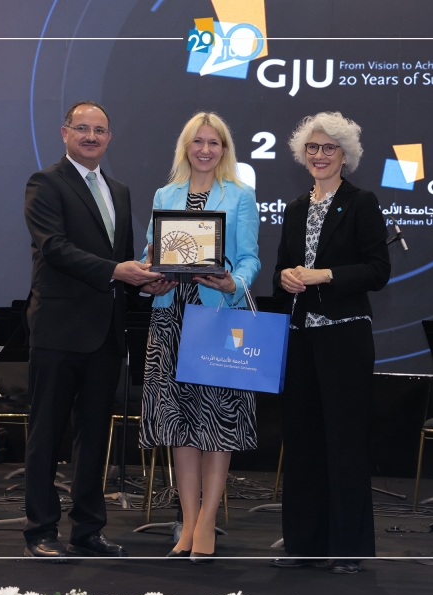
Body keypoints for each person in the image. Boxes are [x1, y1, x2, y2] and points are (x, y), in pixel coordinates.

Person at [22, 100, 163, 560]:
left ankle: (87, 530)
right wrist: (118, 270)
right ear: (64, 133)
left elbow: (122, 259)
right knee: (47, 434)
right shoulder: (45, 183)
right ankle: (41, 531)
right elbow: (54, 248)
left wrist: (146, 282)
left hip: (107, 333)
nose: (91, 137)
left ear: (109, 138)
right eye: (81, 128)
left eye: (99, 130)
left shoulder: (119, 190)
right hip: (58, 329)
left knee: (95, 435)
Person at [271, 112, 391, 574]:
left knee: (344, 443)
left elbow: (377, 271)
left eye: (329, 148)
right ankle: (304, 545)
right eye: (313, 148)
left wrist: (326, 275)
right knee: (302, 442)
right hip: (300, 336)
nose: (319, 155)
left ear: (346, 155)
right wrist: (284, 277)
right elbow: (281, 271)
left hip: (345, 336)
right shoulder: (294, 208)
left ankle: (347, 548)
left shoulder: (362, 203)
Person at [138, 112, 260, 562]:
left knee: (216, 425)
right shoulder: (164, 194)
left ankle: (208, 520)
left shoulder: (240, 195)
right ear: (185, 147)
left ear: (224, 150)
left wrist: (233, 284)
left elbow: (249, 259)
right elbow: (152, 251)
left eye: (214, 142)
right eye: (198, 141)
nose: (205, 150)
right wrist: (150, 275)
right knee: (179, 425)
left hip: (217, 320)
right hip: (170, 319)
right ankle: (188, 522)